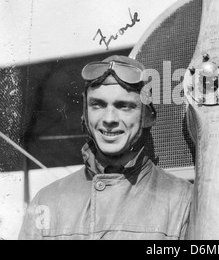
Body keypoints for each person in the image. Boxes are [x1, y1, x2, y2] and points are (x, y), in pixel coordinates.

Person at [19, 55, 192, 240]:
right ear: (85, 114)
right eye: (98, 105)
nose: (109, 119)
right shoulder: (47, 201)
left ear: (147, 116)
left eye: (124, 106)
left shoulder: (184, 201)